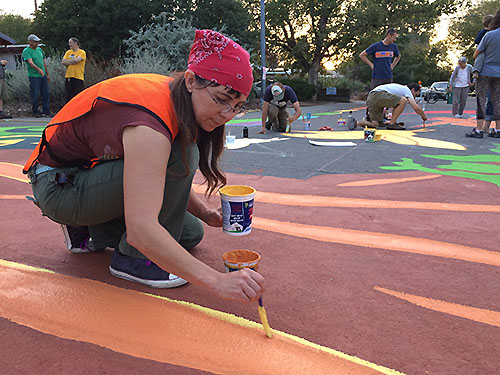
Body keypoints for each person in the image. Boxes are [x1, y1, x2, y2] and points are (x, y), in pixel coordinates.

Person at [23, 30, 265, 304]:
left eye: (238, 106)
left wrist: (206, 213)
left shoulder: (179, 99)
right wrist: (217, 281)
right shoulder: (152, 119)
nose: (227, 115)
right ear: (190, 80)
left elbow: (164, 177)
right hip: (58, 185)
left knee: (190, 232)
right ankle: (134, 260)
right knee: (182, 153)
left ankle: (90, 230)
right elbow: (142, 228)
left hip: (84, 178)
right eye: (221, 100)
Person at [466, 9, 500, 139]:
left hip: (485, 71)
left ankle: (479, 130)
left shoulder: (489, 35)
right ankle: (498, 130)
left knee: (481, 99)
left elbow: (476, 53)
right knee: (497, 101)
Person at [347, 83, 426, 131]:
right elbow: (416, 107)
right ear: (412, 90)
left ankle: (356, 123)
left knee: (375, 124)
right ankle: (392, 124)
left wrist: (389, 120)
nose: (415, 97)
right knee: (404, 100)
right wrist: (423, 116)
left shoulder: (398, 90)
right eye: (416, 95)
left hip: (371, 97)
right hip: (378, 95)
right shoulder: (406, 90)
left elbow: (394, 107)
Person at [22, 34, 50, 117]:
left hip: (43, 75)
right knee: (35, 94)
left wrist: (47, 73)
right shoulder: (26, 51)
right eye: (35, 41)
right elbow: (30, 62)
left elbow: (43, 62)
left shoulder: (39, 50)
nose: (37, 43)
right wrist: (39, 70)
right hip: (34, 76)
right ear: (30, 42)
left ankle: (46, 110)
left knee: (46, 93)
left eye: (38, 42)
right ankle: (35, 110)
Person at [61, 37, 86, 102]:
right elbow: (63, 61)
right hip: (69, 77)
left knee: (78, 97)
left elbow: (77, 60)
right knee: (69, 97)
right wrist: (72, 61)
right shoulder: (68, 52)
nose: (69, 44)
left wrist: (69, 61)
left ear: (75, 43)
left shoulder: (82, 52)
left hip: (78, 78)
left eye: (70, 43)